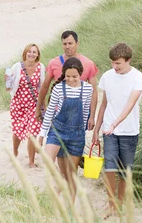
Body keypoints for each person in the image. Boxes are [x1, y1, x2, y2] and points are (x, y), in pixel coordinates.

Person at [92, 43, 142, 217]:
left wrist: (116, 122)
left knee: (125, 170)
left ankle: (119, 204)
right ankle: (110, 204)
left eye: (118, 64)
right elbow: (104, 104)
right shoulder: (108, 77)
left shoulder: (138, 77)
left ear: (128, 60)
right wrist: (97, 129)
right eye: (112, 63)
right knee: (109, 167)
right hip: (110, 130)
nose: (114, 67)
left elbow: (130, 104)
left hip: (129, 131)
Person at [37, 58, 93, 201]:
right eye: (67, 76)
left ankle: (70, 208)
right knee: (48, 159)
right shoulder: (58, 88)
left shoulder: (88, 88)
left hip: (76, 135)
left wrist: (83, 132)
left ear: (80, 73)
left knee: (71, 174)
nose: (71, 79)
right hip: (58, 130)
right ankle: (60, 182)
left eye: (74, 76)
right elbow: (49, 112)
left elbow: (85, 111)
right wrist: (42, 134)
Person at [35, 30, 98, 131]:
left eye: (70, 43)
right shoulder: (53, 63)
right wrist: (38, 108)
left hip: (79, 115)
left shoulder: (88, 64)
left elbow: (94, 92)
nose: (67, 46)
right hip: (58, 113)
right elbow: (45, 86)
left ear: (77, 44)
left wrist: (92, 116)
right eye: (65, 44)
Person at [6, 43, 46, 167]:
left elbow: (43, 87)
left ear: (38, 55)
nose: (32, 54)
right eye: (29, 51)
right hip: (18, 104)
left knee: (32, 132)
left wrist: (43, 106)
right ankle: (15, 151)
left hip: (34, 104)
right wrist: (7, 81)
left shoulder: (40, 67)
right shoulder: (17, 67)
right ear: (25, 53)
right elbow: (9, 87)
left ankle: (31, 161)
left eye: (34, 52)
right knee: (17, 130)